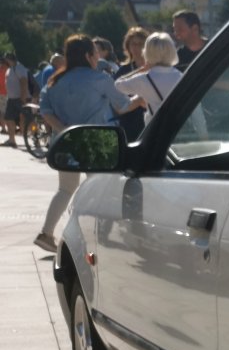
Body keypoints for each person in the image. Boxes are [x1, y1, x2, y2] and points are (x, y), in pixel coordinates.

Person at [33, 35, 143, 252]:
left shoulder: (54, 81)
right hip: (96, 140)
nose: (98, 57)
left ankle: (46, 233)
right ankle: (90, 235)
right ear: (87, 55)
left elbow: (45, 111)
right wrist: (139, 99)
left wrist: (64, 130)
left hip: (65, 142)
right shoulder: (99, 78)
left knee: (65, 189)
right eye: (95, 52)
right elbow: (122, 106)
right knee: (101, 188)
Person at [114, 32, 183, 124]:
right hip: (179, 129)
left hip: (155, 129)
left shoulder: (144, 79)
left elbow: (118, 84)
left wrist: (140, 70)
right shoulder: (181, 76)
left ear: (147, 52)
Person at [114, 27, 150, 141]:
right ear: (128, 46)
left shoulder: (154, 68)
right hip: (129, 123)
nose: (137, 48)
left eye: (140, 44)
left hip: (151, 120)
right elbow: (115, 97)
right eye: (133, 44)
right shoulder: (123, 71)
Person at [2, 52, 29, 145]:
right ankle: (12, 140)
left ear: (9, 59)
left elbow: (24, 82)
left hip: (19, 98)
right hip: (11, 98)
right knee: (8, 118)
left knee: (25, 118)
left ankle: (31, 137)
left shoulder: (19, 68)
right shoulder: (10, 69)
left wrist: (23, 96)